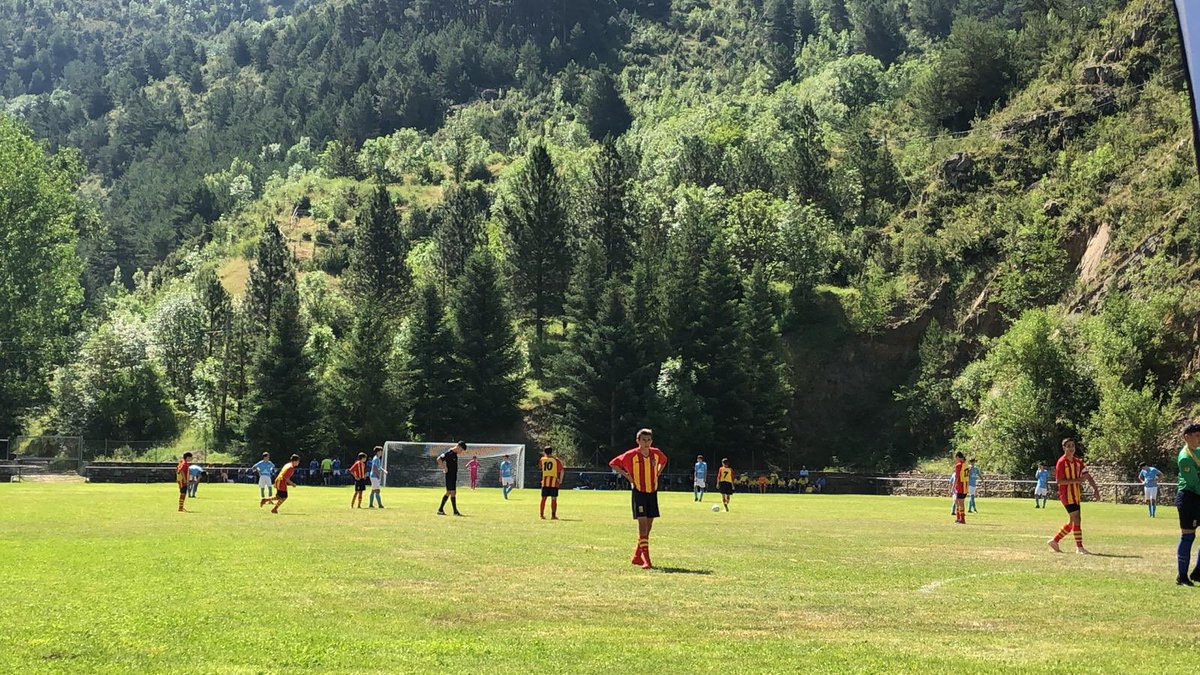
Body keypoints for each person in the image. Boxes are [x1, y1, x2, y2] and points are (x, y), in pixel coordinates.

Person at [609, 429, 668, 570]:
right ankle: (646, 560)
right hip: (639, 492)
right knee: (642, 525)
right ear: (638, 441)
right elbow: (613, 463)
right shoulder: (631, 455)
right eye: (643, 440)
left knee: (648, 526)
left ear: (651, 441)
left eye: (648, 440)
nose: (646, 443)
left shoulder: (656, 453)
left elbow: (664, 461)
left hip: (652, 492)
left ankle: (636, 556)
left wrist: (657, 473)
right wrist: (628, 476)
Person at [1047, 438, 1100, 554]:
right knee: (1076, 519)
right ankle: (1079, 547)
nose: (1071, 448)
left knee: (1072, 522)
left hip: (1075, 494)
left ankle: (1055, 541)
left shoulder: (1078, 462)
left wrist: (1095, 489)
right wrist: (1077, 480)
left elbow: (1087, 476)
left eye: (1073, 446)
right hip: (1067, 495)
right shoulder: (1061, 462)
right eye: (1069, 446)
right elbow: (1059, 481)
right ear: (1064, 448)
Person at [1174, 423, 1200, 585]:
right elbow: (1195, 483)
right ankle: (1182, 576)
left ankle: (1198, 572)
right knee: (1188, 536)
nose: (1199, 439)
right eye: (1197, 436)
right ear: (1186, 437)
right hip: (1189, 498)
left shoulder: (1197, 452)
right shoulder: (1185, 457)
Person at [437, 441, 466, 516]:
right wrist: (444, 467)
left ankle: (441, 510)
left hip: (453, 476)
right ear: (458, 447)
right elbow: (439, 459)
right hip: (449, 475)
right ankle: (454, 511)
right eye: (461, 450)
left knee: (451, 492)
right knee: (451, 492)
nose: (461, 452)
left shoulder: (455, 454)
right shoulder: (449, 453)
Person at [539, 447, 565, 520]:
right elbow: (562, 471)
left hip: (545, 481)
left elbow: (541, 468)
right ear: (551, 452)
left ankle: (541, 514)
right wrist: (560, 480)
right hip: (554, 482)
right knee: (554, 498)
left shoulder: (542, 459)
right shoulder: (556, 460)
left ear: (544, 452)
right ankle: (553, 515)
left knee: (543, 498)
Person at [952, 452, 968, 525]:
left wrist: (953, 486)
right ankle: (959, 518)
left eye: (956, 458)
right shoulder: (966, 464)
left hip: (961, 486)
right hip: (965, 485)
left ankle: (962, 519)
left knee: (960, 502)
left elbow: (957, 477)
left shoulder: (959, 465)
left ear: (958, 457)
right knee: (960, 502)